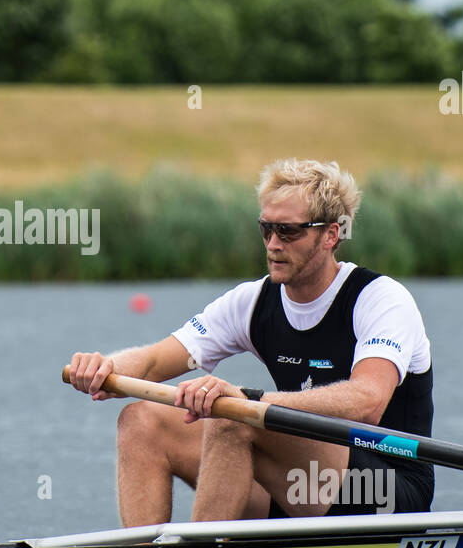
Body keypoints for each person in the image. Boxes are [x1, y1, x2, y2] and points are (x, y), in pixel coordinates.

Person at [68, 158, 433, 525]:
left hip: (382, 489)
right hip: (297, 487)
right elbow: (153, 362)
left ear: (331, 235)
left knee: (235, 416)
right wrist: (106, 368)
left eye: (288, 232)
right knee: (141, 419)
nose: (273, 244)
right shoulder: (253, 302)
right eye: (266, 229)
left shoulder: (381, 299)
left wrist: (251, 404)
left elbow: (367, 402)